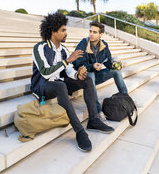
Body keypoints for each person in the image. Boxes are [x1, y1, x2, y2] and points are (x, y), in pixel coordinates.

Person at [31, 13, 114, 152]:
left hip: (60, 82)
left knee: (87, 81)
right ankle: (79, 131)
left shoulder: (63, 50)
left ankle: (93, 120)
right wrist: (67, 60)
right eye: (63, 30)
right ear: (53, 32)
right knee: (61, 85)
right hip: (43, 86)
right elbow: (45, 72)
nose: (66, 33)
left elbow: (69, 70)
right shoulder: (39, 47)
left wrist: (78, 75)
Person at [73, 21, 128, 117]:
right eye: (90, 31)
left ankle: (126, 100)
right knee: (90, 73)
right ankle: (97, 111)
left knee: (116, 71)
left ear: (101, 34)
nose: (91, 34)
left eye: (95, 32)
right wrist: (92, 66)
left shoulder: (104, 45)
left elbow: (108, 62)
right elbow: (79, 64)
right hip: (82, 77)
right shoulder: (83, 44)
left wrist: (115, 65)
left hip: (96, 75)